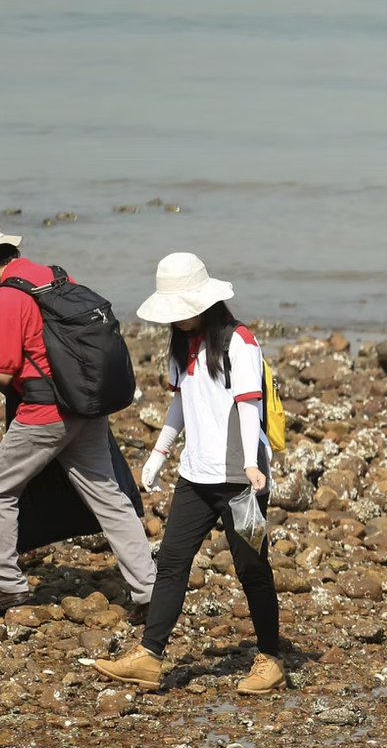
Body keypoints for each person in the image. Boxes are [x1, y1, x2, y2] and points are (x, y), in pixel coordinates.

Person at [0, 216, 155, 617]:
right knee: (108, 496)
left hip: (45, 412)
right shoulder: (53, 276)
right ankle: (149, 590)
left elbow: (4, 370)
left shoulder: (4, 297)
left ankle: (5, 584)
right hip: (86, 403)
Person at [94, 253, 285, 695]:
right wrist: (160, 452)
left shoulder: (240, 342)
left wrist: (252, 464)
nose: (178, 320)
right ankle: (149, 656)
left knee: (252, 567)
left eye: (184, 310)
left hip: (241, 481)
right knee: (172, 564)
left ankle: (270, 658)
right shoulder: (182, 346)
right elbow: (182, 404)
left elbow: (247, 405)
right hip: (196, 478)